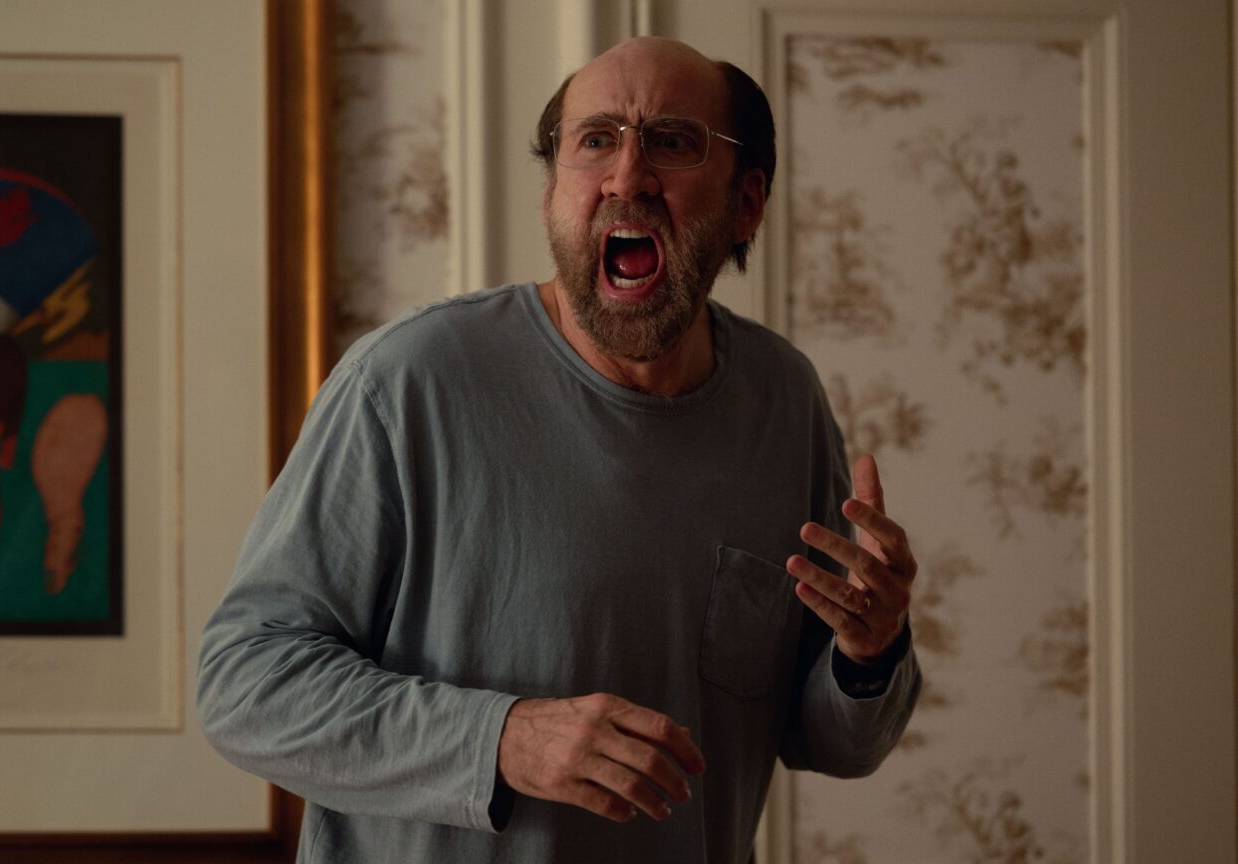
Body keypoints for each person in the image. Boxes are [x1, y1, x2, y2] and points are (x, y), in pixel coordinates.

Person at [197, 36, 921, 863]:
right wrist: (500, 739)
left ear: (746, 202)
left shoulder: (784, 400)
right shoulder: (406, 381)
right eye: (596, 140)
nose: (627, 177)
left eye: (672, 141)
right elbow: (244, 685)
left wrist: (870, 652)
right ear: (552, 194)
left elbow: (832, 744)